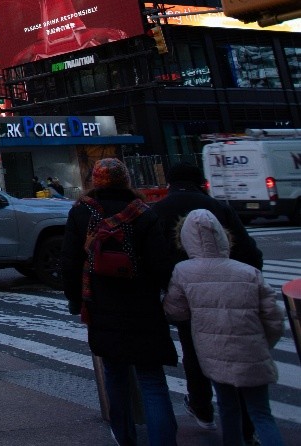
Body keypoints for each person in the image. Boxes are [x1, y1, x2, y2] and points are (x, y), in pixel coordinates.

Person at [61, 159, 176, 446]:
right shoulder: (143, 212)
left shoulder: (81, 212)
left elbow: (70, 262)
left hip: (100, 304)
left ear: (95, 181)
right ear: (126, 180)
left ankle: (125, 437)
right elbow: (162, 265)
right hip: (143, 305)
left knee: (115, 376)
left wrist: (76, 301)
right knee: (152, 380)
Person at [152, 162, 263, 431]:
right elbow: (250, 253)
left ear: (169, 181)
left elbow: (153, 258)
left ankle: (202, 407)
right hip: (229, 292)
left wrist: (168, 283)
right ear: (199, 180)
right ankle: (245, 426)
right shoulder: (217, 207)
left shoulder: (157, 211)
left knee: (192, 351)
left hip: (185, 292)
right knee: (232, 354)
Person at [164, 209, 286, 446]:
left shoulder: (184, 272)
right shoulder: (248, 272)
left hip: (214, 352)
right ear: (222, 236)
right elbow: (273, 318)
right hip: (252, 351)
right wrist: (263, 342)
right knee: (261, 413)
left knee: (228, 409)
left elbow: (175, 310)